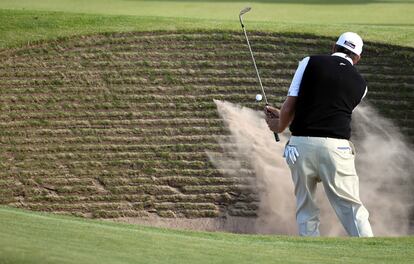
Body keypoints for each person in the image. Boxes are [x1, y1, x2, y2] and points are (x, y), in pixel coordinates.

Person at [265, 32, 374, 237]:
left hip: (300, 148)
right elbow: (329, 112)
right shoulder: (362, 85)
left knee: (305, 207)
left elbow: (292, 104)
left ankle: (311, 254)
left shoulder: (309, 62)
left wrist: (280, 125)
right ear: (357, 58)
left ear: (334, 47)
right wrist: (283, 119)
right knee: (352, 208)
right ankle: (368, 250)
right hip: (337, 150)